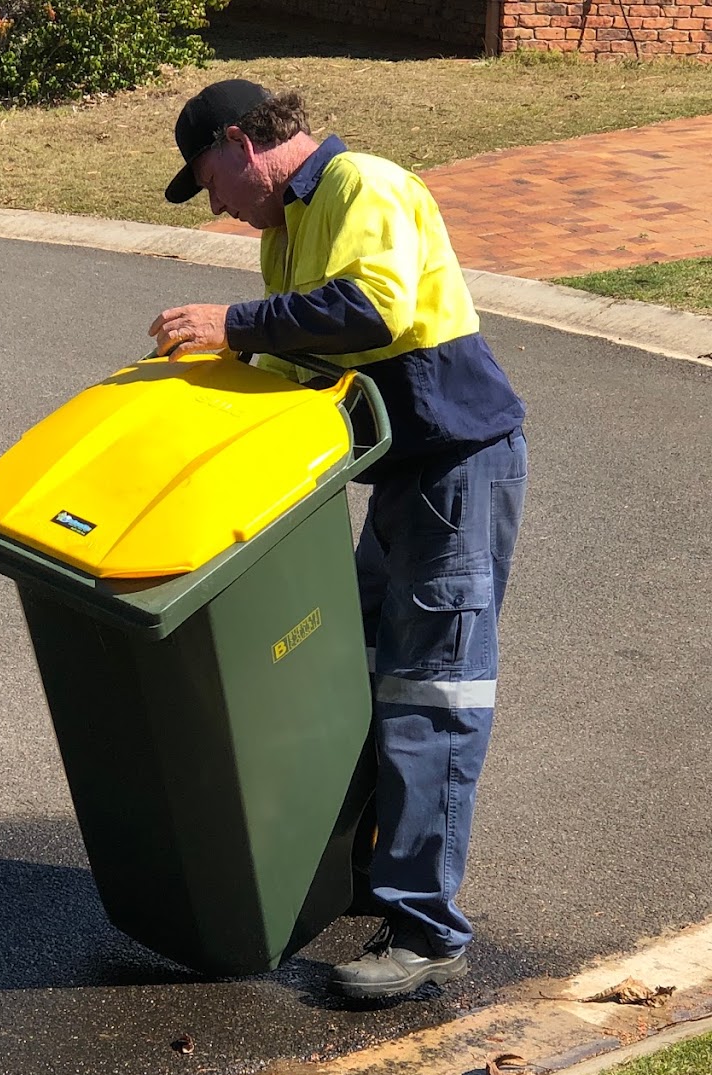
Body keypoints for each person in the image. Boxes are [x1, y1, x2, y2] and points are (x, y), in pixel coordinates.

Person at [150, 79, 528, 1002]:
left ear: (242, 143)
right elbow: (298, 363)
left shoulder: (364, 184)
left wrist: (233, 325)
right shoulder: (288, 232)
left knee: (430, 694)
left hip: (456, 469)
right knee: (355, 674)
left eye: (208, 181)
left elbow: (373, 310)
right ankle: (367, 875)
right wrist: (224, 359)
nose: (216, 207)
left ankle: (428, 931)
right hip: (406, 476)